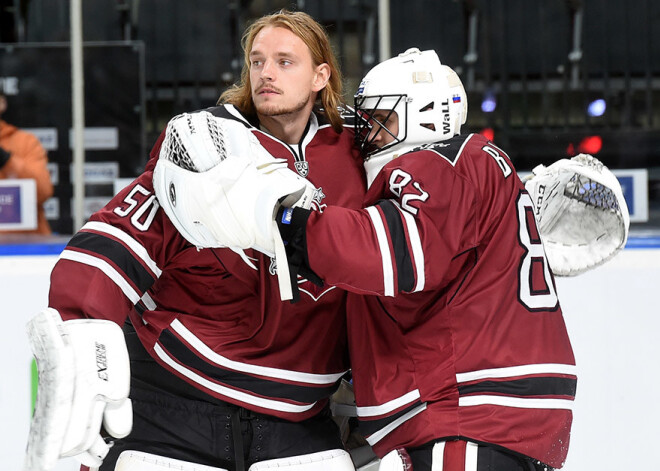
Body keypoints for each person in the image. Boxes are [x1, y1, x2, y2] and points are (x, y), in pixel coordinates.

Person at [24, 10, 366, 471]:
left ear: (320, 75)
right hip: (176, 397)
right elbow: (124, 233)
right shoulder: (206, 144)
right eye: (257, 60)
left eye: (285, 61)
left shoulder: (359, 157)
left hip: (299, 415)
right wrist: (81, 325)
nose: (266, 72)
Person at [268, 49, 577, 470]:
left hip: (467, 413)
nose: (369, 136)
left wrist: (290, 225)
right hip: (504, 415)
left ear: (428, 116)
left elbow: (393, 253)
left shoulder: (436, 161)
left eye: (383, 121)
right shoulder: (480, 164)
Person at [0, 90, 53, 235]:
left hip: (26, 249)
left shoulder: (25, 142)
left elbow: (43, 192)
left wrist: (6, 159)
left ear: (2, 103)